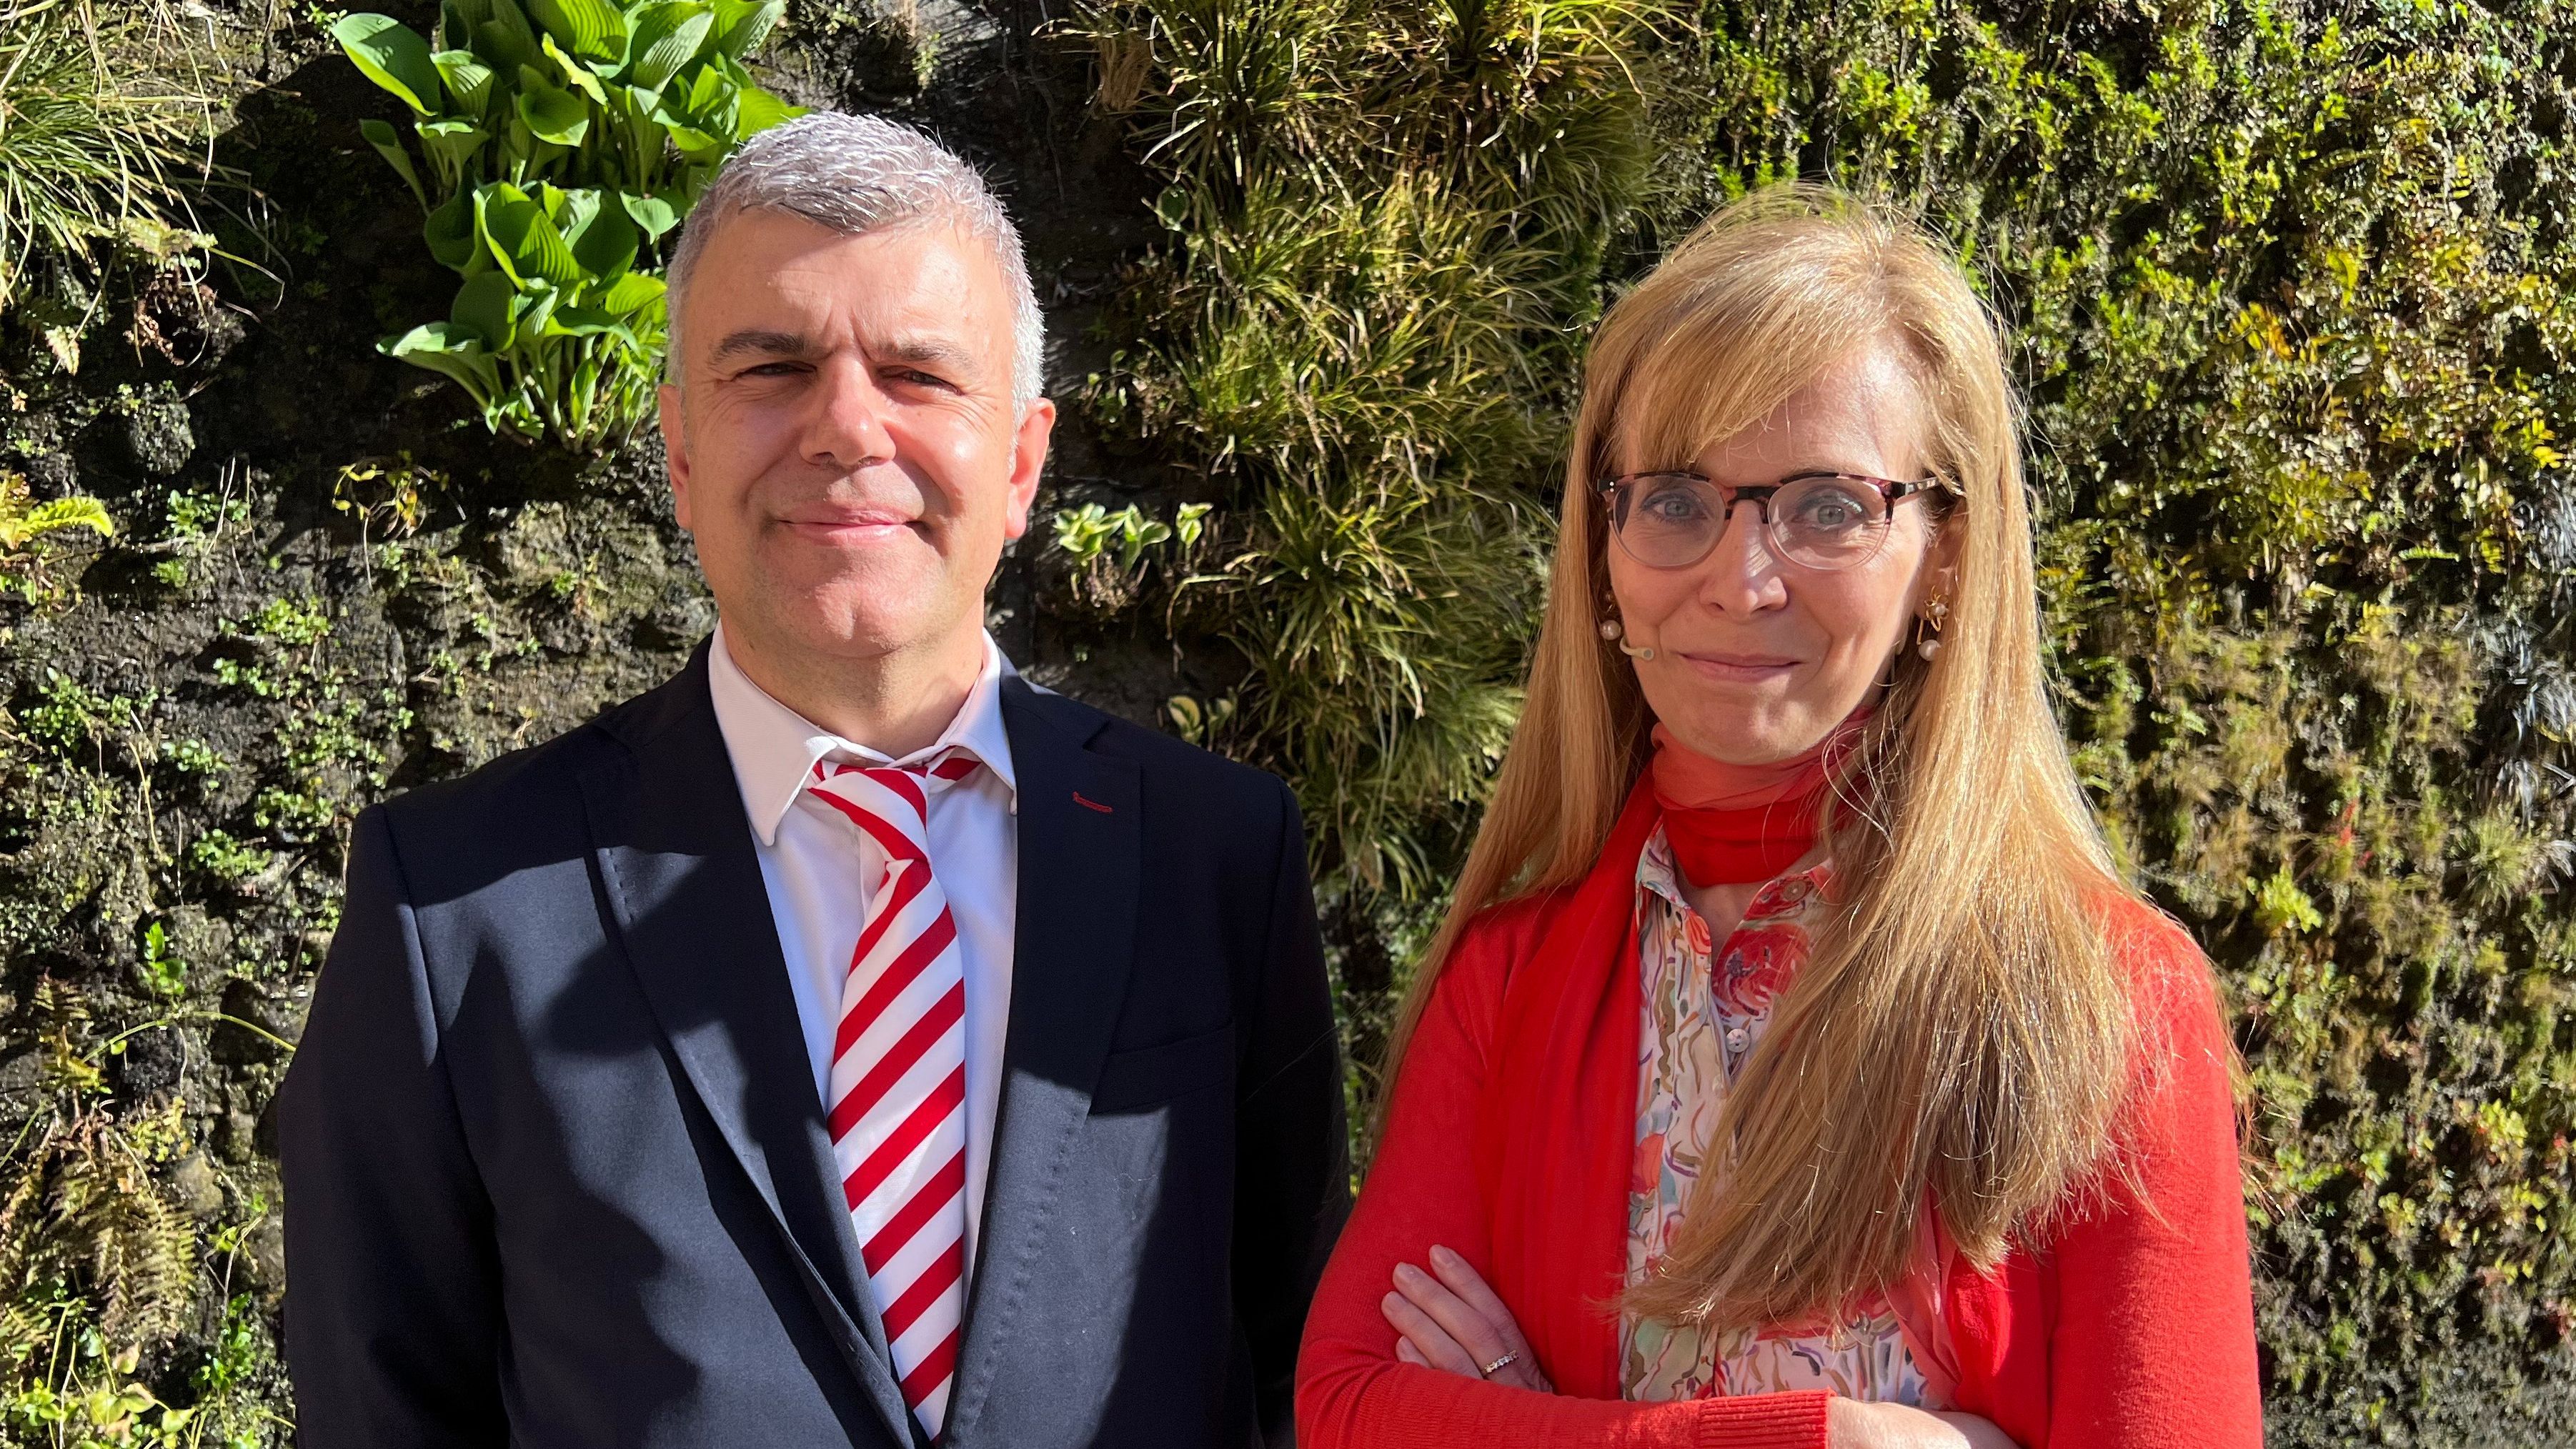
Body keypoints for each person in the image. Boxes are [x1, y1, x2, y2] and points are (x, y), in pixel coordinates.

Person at [279, 111, 1348, 1449]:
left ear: (1019, 463)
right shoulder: (454, 906)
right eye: (773, 368)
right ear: (678, 451)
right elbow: (380, 1407)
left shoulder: (1216, 855)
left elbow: (1294, 1362)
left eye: (916, 373)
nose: (848, 428)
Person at [1296, 185, 2264, 1449]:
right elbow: (1350, 1410)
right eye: (1677, 500)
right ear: (1605, 550)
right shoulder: (1509, 978)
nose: (1740, 582)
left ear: (1948, 557)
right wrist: (1827, 1441)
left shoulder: (2103, 1004)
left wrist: (1531, 1425)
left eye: (1825, 508)